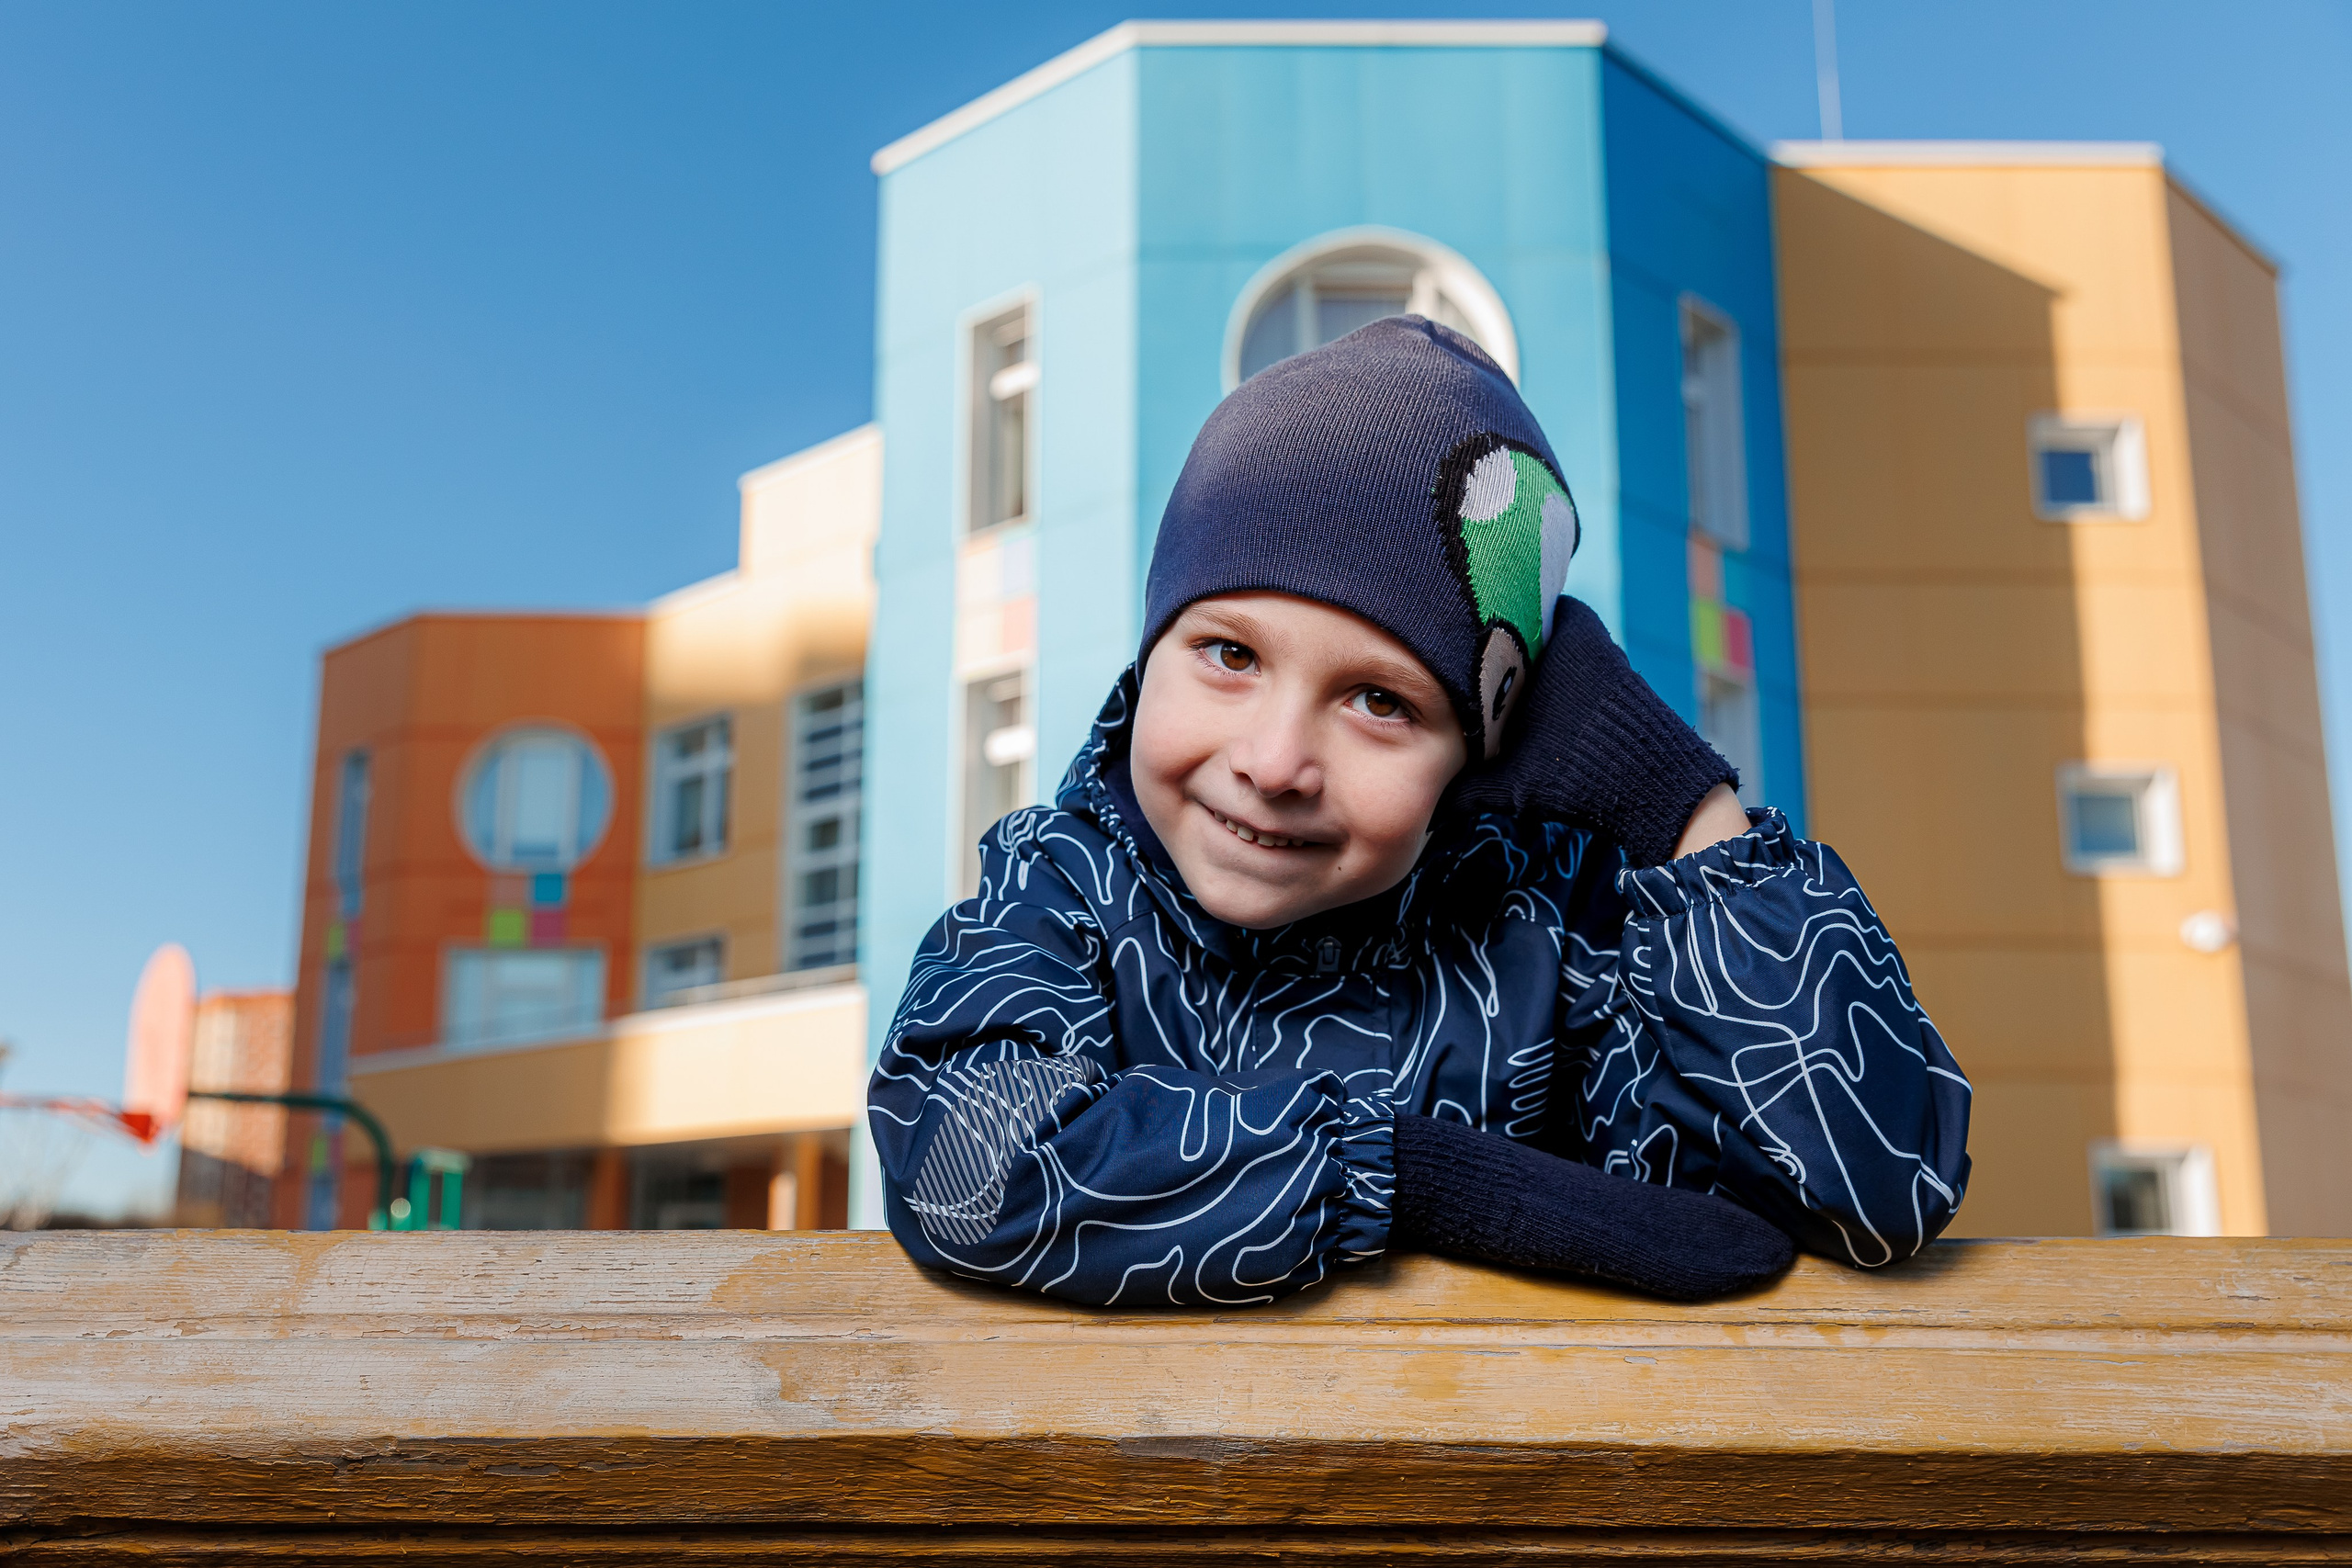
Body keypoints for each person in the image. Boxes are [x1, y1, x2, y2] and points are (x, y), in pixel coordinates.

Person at [868, 316, 1971, 1307]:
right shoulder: (1069, 883)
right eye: (1230, 654)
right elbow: (970, 1163)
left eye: (1380, 701)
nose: (1274, 760)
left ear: (1483, 749)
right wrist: (1408, 1178)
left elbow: (1873, 1185)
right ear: (1150, 648)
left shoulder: (1550, 934)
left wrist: (1684, 811)